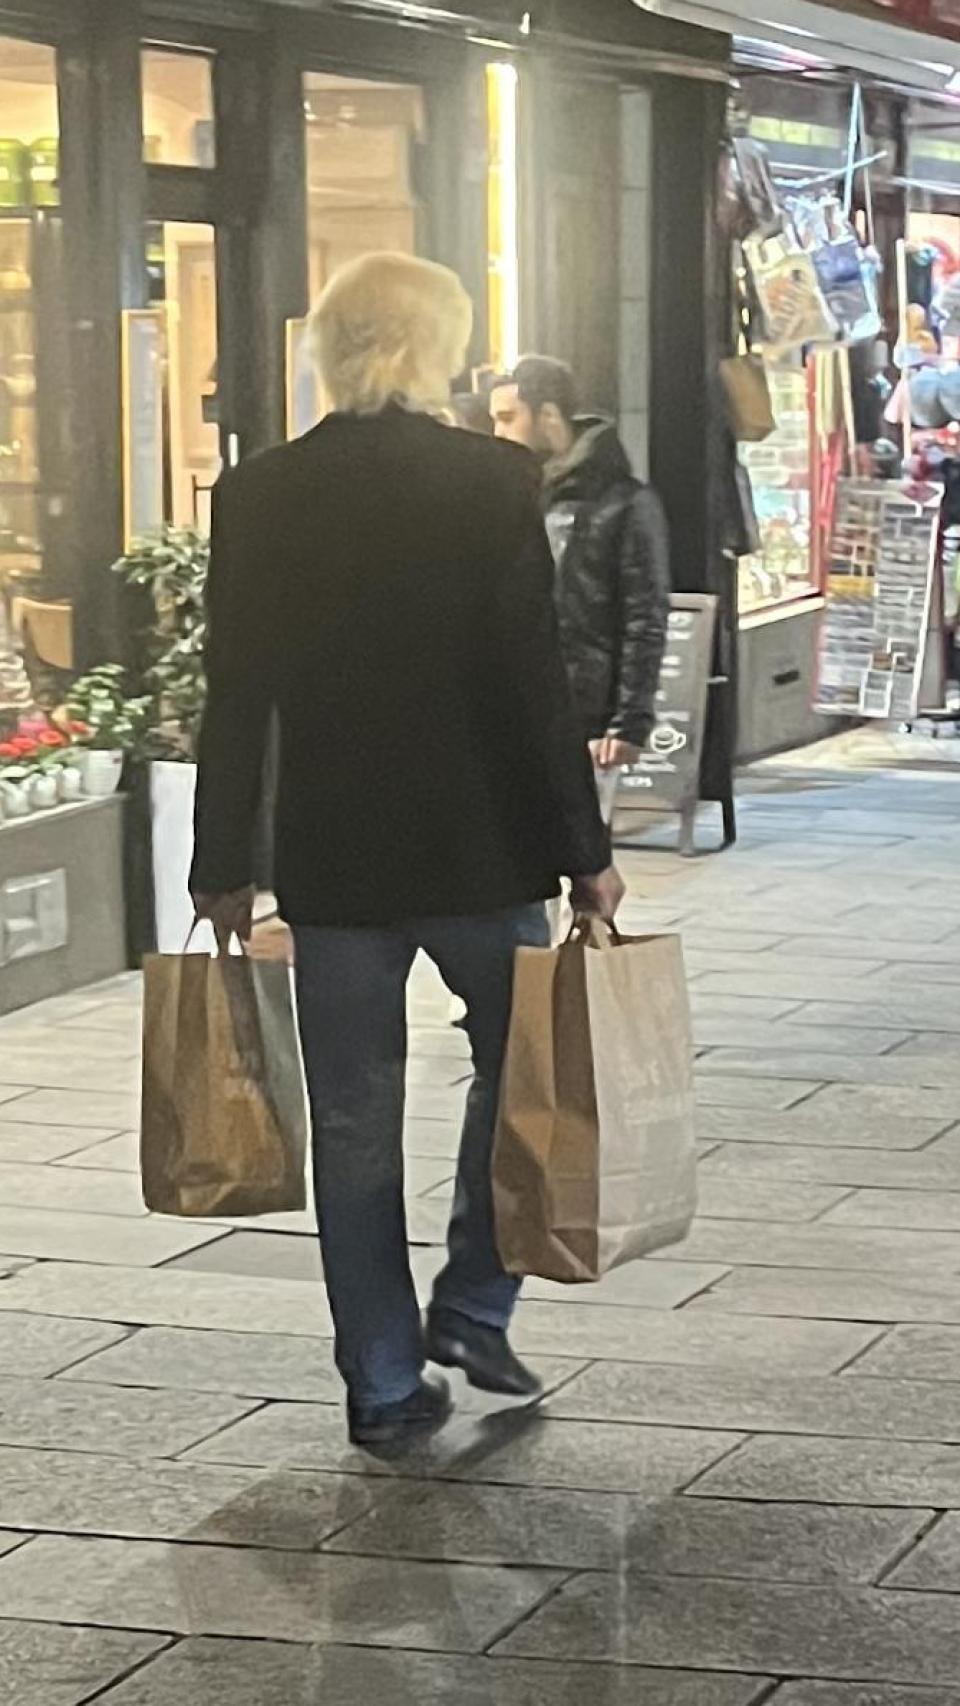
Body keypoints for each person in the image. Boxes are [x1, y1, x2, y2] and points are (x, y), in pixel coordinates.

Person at [190, 253, 624, 1448]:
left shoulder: (263, 492)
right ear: (438, 346)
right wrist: (582, 848)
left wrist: (222, 856)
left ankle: (382, 1383)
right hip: (484, 848)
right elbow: (533, 681)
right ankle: (476, 1301)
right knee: (525, 1074)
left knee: (354, 1116)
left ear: (325, 345)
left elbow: (237, 691)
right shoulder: (491, 479)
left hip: (336, 857)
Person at [489, 356, 671, 813]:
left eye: (508, 419)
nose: (497, 434)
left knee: (584, 858)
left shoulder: (624, 502)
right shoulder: (513, 495)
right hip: (514, 706)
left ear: (547, 416)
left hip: (585, 715)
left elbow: (644, 616)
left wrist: (629, 722)